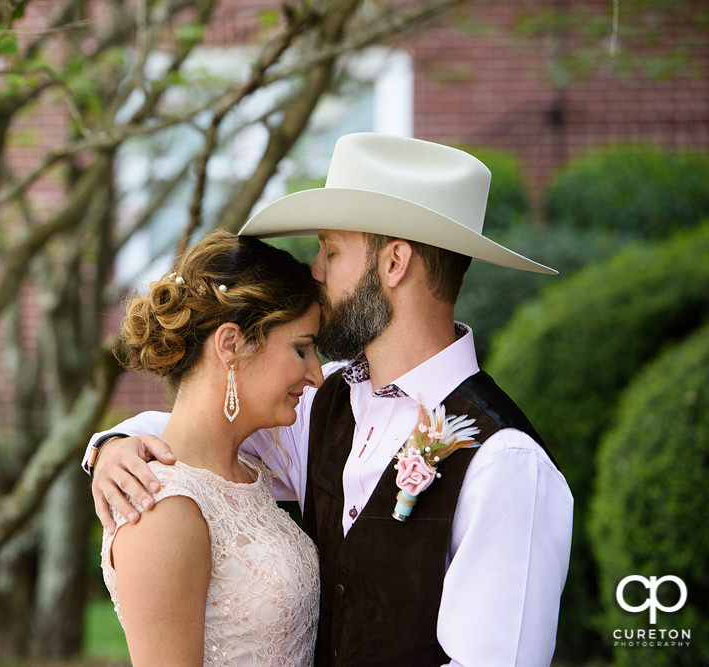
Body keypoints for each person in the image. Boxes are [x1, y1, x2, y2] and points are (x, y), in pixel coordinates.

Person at [85, 133, 574, 666]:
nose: (315, 270)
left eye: (332, 250)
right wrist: (114, 446)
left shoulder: (505, 464)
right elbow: (208, 432)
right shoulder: (321, 406)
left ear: (394, 264)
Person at [97, 230, 324, 666]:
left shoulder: (253, 469)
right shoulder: (161, 506)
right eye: (301, 349)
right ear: (230, 344)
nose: (315, 374)